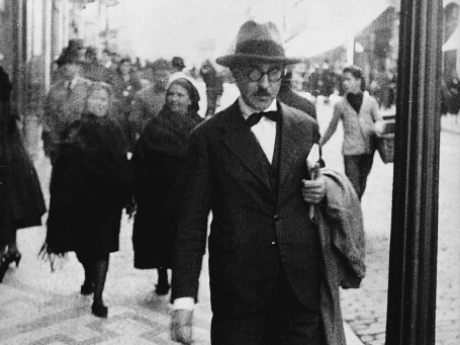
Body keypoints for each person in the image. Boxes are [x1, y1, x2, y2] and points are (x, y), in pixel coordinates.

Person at [170, 20, 330, 345]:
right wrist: (183, 300)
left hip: (299, 291)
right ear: (236, 73)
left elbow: (316, 187)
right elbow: (191, 223)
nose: (265, 85)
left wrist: (322, 188)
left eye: (273, 74)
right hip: (239, 295)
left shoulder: (306, 127)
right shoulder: (208, 137)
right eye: (255, 73)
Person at [42, 82, 134, 318]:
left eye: (104, 99)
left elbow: (121, 165)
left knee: (102, 248)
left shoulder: (114, 130)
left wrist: (125, 194)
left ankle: (99, 298)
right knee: (83, 248)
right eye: (95, 99)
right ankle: (88, 276)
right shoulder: (74, 129)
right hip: (79, 201)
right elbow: (62, 167)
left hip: (106, 202)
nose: (100, 103)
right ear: (86, 101)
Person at [132, 78, 203, 295]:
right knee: (159, 236)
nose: (174, 99)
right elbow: (140, 157)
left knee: (184, 240)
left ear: (190, 100)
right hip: (157, 194)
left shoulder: (200, 128)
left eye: (180, 95)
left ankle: (181, 283)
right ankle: (162, 276)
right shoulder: (155, 125)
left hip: (186, 195)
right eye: (171, 94)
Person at [0, 66, 46, 282]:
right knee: (9, 203)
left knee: (5, 202)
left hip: (4, 150)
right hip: (10, 149)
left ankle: (7, 250)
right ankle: (12, 248)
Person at [320, 65, 385, 200]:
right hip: (350, 151)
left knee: (362, 184)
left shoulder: (371, 102)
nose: (345, 83)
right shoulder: (340, 105)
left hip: (368, 150)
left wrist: (378, 126)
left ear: (358, 81)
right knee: (353, 187)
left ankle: (355, 211)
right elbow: (332, 127)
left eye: (348, 80)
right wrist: (320, 143)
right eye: (343, 80)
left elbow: (379, 120)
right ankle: (354, 216)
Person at [42, 45, 92, 165]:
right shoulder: (53, 90)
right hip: (58, 145)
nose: (66, 67)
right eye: (62, 64)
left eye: (70, 63)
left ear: (78, 66)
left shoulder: (88, 87)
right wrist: (50, 143)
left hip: (80, 145)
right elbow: (47, 116)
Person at [129, 68, 171, 140]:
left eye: (164, 76)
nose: (161, 80)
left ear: (169, 76)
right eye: (159, 76)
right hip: (148, 136)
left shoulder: (173, 94)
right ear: (153, 76)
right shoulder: (142, 94)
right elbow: (134, 119)